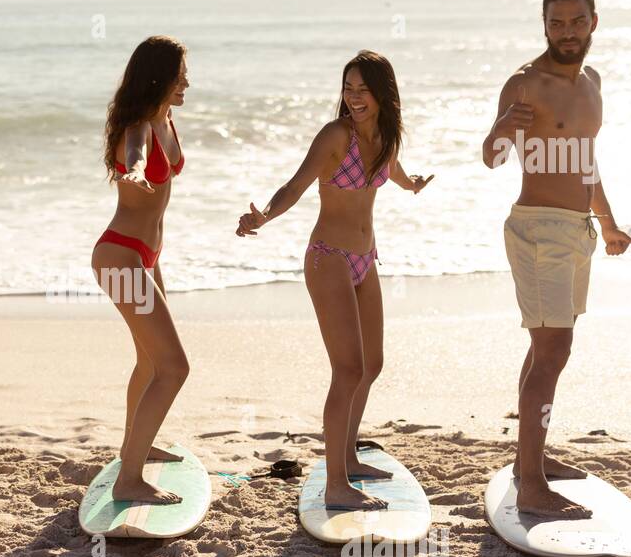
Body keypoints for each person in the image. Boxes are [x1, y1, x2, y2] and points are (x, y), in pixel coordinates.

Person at [237, 51, 432, 509]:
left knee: (371, 364)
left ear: (383, 92)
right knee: (347, 369)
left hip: (367, 258)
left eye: (363, 89)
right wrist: (264, 216)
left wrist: (411, 184)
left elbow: (393, 169)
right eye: (348, 88)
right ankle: (336, 485)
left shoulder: (386, 135)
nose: (354, 97)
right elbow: (296, 184)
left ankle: (348, 456)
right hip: (329, 259)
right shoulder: (335, 136)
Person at [481, 0, 631, 519]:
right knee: (553, 352)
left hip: (577, 231)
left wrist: (608, 222)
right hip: (538, 228)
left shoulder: (592, 84)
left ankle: (531, 464)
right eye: (556, 22)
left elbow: (585, 162)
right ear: (543, 25)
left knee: (546, 349)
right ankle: (531, 486)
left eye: (576, 21)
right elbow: (493, 159)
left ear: (593, 21)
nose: (567, 31)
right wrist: (500, 129)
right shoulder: (525, 83)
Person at [91, 36, 191, 505]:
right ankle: (129, 479)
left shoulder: (165, 119)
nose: (186, 82)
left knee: (151, 362)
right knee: (174, 367)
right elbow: (133, 155)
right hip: (121, 255)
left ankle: (138, 446)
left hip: (147, 257)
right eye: (179, 75)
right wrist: (132, 171)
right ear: (160, 78)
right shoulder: (136, 127)